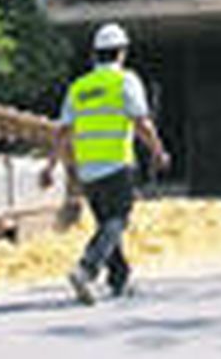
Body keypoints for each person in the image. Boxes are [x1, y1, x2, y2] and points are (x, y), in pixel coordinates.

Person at [56, 22, 170, 305]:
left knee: (108, 224)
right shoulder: (125, 81)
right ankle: (86, 269)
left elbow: (63, 131)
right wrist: (158, 151)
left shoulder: (79, 87)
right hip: (117, 165)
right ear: (121, 53)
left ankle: (119, 278)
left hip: (88, 171)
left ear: (95, 54)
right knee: (117, 220)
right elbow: (141, 122)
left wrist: (51, 165)